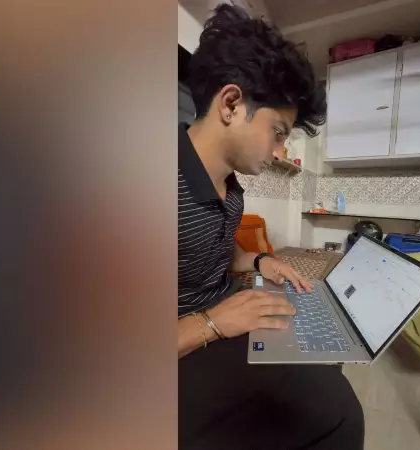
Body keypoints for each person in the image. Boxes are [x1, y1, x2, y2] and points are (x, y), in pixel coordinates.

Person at [177, 5, 364, 450]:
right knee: (338, 412)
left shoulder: (232, 190)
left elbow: (205, 255)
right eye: (278, 132)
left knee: (323, 352)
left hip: (217, 319)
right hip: (184, 347)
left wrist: (260, 261)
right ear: (231, 104)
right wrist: (213, 323)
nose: (280, 151)